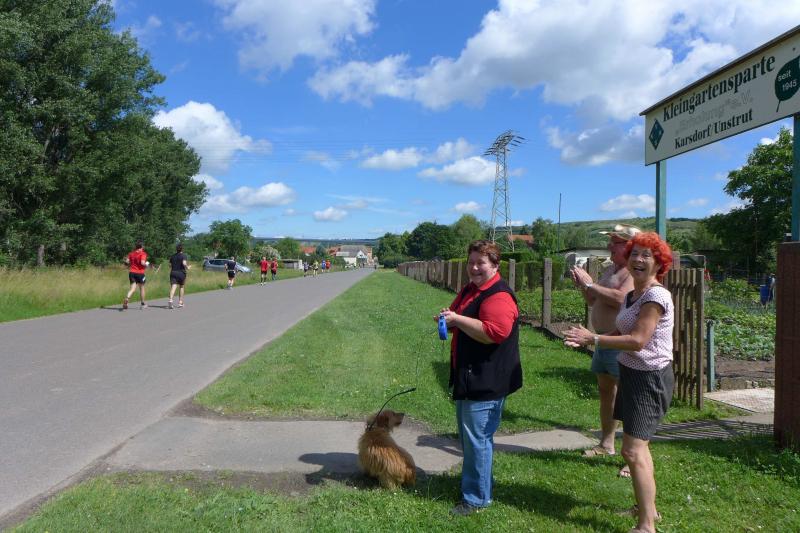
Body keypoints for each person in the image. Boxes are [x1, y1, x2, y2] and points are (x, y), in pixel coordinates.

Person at [564, 232, 674, 533]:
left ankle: (646, 526)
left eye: (646, 255)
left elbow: (638, 340)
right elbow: (621, 331)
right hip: (632, 374)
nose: (638, 259)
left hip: (649, 379)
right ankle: (648, 511)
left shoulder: (655, 297)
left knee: (633, 451)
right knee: (637, 450)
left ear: (659, 263)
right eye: (634, 253)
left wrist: (594, 338)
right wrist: (590, 339)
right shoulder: (632, 295)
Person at [437, 239, 522, 516]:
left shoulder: (499, 296)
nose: (474, 268)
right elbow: (458, 314)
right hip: (470, 377)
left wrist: (457, 320)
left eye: (480, 263)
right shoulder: (471, 289)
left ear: (495, 265)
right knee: (471, 439)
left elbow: (494, 333)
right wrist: (448, 318)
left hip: (487, 380)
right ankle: (478, 486)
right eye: (470, 262)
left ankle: (476, 499)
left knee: (477, 441)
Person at [570, 224, 639, 466]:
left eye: (615, 242)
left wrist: (591, 285)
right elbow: (592, 300)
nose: (609, 246)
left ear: (629, 245)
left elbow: (623, 300)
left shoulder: (633, 272)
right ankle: (607, 444)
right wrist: (583, 285)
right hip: (602, 340)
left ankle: (633, 456)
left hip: (619, 341)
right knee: (606, 391)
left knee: (628, 398)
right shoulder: (611, 269)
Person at [123, 241, 149, 310]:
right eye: (143, 246)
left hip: (132, 272)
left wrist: (128, 263)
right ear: (141, 247)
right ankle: (143, 304)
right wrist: (147, 264)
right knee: (142, 288)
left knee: (132, 289)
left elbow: (127, 262)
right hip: (140, 273)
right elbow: (142, 262)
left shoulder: (131, 253)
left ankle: (127, 299)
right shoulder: (143, 253)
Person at [168, 244, 190, 309]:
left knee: (173, 286)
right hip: (181, 273)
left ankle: (170, 300)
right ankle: (180, 302)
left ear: (176, 249)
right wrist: (187, 267)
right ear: (182, 249)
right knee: (181, 286)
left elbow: (169, 265)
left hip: (173, 272)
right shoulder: (183, 255)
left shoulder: (172, 256)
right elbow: (184, 263)